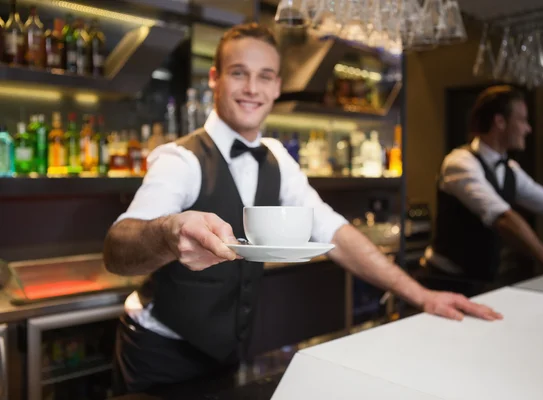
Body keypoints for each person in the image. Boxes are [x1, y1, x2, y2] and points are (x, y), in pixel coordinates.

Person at [103, 23, 502, 395]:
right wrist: (169, 232)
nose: (252, 88)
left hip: (226, 355)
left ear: (277, 86)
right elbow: (118, 248)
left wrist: (423, 296)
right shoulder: (180, 159)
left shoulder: (277, 157)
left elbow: (335, 232)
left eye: (264, 76)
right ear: (215, 80)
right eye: (239, 73)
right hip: (157, 356)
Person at [423, 85, 543, 296]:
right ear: (500, 122)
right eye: (522, 120)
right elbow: (501, 217)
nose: (528, 129)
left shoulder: (510, 170)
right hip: (444, 282)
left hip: (483, 282)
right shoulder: (459, 162)